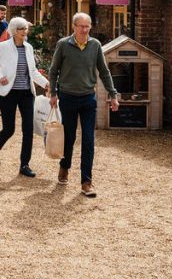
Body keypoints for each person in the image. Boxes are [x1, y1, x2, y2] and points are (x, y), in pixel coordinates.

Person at [48, 12, 120, 198]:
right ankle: (65, 166)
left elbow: (104, 72)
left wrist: (113, 95)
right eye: (81, 26)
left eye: (87, 26)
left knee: (88, 140)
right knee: (70, 138)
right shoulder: (63, 45)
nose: (85, 29)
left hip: (88, 98)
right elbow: (54, 70)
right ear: (74, 26)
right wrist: (54, 93)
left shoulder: (95, 45)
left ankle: (86, 182)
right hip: (68, 98)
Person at [0, 17, 48, 178]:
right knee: (9, 128)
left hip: (26, 93)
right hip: (8, 93)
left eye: (26, 28)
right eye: (21, 29)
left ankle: (24, 164)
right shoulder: (3, 47)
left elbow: (32, 72)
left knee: (28, 129)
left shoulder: (29, 48)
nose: (25, 32)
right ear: (13, 30)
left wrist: (46, 84)